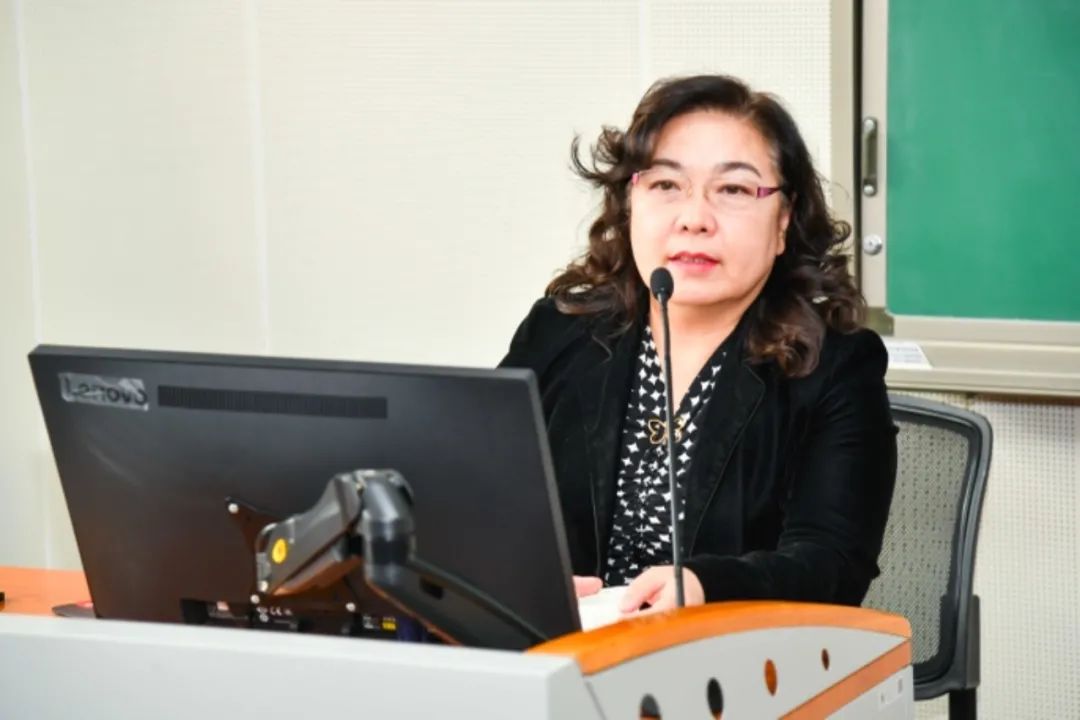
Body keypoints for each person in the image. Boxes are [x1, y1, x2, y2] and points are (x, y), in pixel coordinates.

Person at [499, 74, 897, 617]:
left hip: (734, 657)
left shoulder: (835, 368)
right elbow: (477, 495)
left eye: (733, 190)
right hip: (564, 649)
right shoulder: (561, 331)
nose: (693, 219)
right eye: (666, 185)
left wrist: (707, 585)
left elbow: (832, 563)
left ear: (783, 221)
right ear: (629, 201)